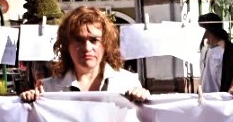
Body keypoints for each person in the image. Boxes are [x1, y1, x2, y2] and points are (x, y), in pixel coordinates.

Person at [21, 6, 149, 104]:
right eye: (78, 40)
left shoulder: (128, 83)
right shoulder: (48, 88)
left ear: (105, 43)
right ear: (66, 45)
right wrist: (29, 105)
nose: (87, 48)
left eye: (94, 40)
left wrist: (145, 101)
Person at [198, 12, 233, 93]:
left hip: (220, 98)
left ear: (208, 29)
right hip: (205, 97)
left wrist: (229, 93)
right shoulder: (205, 49)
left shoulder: (227, 51)